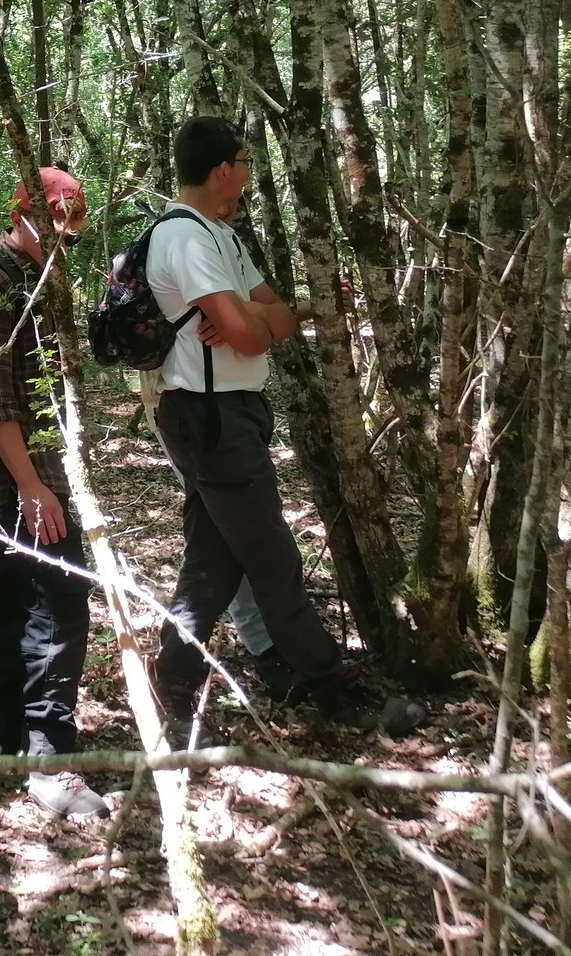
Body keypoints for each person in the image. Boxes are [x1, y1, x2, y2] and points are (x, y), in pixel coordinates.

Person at [144, 118, 404, 732]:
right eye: (243, 160)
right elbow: (248, 330)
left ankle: (176, 671)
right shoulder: (183, 238)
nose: (249, 172)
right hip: (207, 414)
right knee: (270, 555)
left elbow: (274, 321)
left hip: (236, 409)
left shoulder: (224, 237)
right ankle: (328, 679)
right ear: (221, 171)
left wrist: (256, 318)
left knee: (215, 557)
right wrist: (254, 320)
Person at [0, 166, 108, 821]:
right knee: (60, 599)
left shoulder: (37, 279)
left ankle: (6, 734)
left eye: (71, 236)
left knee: (19, 593)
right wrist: (30, 486)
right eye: (56, 230)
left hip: (46, 470)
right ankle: (48, 758)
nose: (63, 246)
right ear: (25, 216)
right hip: (23, 475)